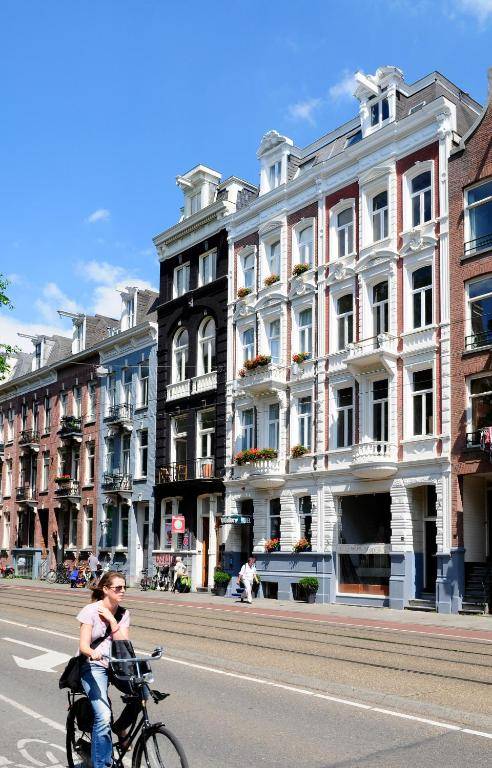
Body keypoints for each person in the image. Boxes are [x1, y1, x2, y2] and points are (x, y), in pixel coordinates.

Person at [77, 570, 135, 768]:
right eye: (118, 588)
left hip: (115, 665)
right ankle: (101, 765)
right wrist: (92, 653)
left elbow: (123, 645)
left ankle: (120, 727)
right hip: (93, 666)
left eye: (124, 587)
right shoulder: (90, 611)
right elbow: (84, 646)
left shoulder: (123, 614)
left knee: (142, 693)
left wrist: (112, 620)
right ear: (105, 589)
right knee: (103, 716)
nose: (122, 591)